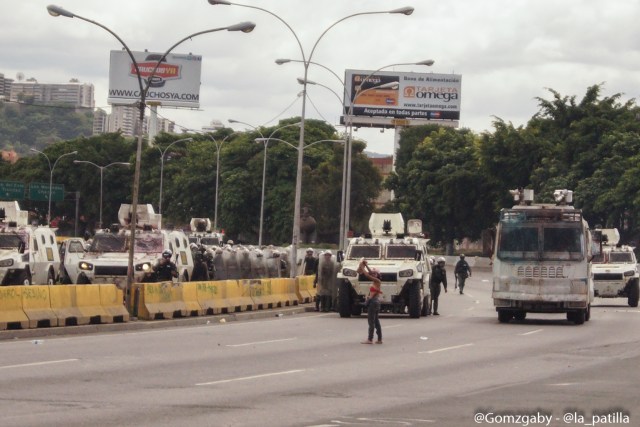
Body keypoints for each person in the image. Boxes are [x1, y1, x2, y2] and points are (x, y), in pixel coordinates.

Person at [358, 258, 383, 344]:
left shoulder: (377, 281)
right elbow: (370, 273)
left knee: (371, 322)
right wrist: (366, 266)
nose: (373, 274)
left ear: (378, 275)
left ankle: (370, 339)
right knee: (376, 321)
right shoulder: (376, 281)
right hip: (375, 302)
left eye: (375, 273)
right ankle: (379, 339)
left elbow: (368, 275)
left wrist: (362, 267)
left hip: (373, 302)